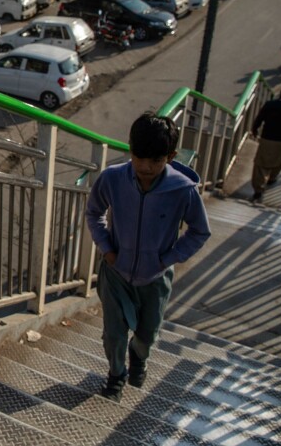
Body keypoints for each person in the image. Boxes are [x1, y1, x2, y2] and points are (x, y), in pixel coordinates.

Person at [86, 112, 211, 402]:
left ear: (171, 156)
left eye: (155, 161)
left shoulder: (183, 190)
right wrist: (107, 248)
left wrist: (167, 259)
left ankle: (138, 357)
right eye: (139, 158)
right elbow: (94, 212)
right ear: (130, 150)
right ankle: (116, 374)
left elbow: (199, 232)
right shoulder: (113, 178)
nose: (145, 167)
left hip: (155, 278)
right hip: (116, 272)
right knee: (113, 333)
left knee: (147, 335)